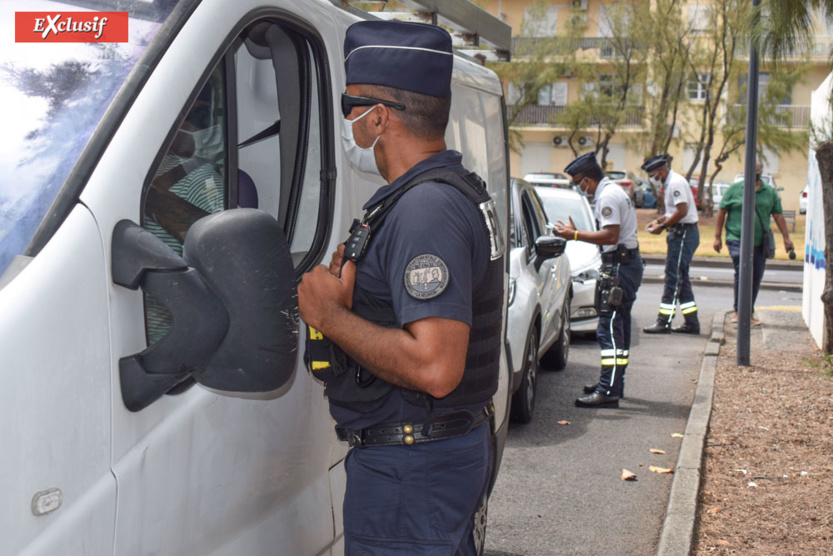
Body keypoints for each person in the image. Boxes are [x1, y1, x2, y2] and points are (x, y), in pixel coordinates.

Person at [297, 21, 504, 555]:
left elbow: (436, 368)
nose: (348, 120)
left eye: (351, 105)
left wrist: (330, 317)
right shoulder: (437, 195)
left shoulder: (424, 210)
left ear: (379, 116)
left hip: (413, 475)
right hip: (430, 462)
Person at [552, 152, 642, 408]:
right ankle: (614, 383)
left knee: (609, 329)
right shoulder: (611, 191)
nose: (581, 188)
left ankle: (608, 390)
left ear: (588, 179)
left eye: (580, 182)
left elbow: (610, 236)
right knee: (618, 327)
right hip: (624, 265)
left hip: (619, 267)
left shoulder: (607, 196)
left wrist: (575, 234)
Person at [713, 160, 794, 325]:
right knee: (742, 271)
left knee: (755, 277)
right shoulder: (734, 190)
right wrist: (717, 237)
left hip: (759, 242)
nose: (755, 174)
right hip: (736, 239)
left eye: (758, 171)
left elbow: (778, 215)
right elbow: (721, 212)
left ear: (761, 172)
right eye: (752, 170)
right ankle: (738, 312)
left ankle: (748, 313)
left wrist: (786, 238)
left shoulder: (769, 192)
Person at [641, 154, 701, 335]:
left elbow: (682, 211)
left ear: (660, 171)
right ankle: (691, 323)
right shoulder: (669, 182)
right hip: (680, 233)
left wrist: (662, 226)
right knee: (681, 279)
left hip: (684, 234)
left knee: (673, 278)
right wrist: (657, 221)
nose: (653, 178)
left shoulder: (675, 183)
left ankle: (663, 321)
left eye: (653, 175)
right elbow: (672, 211)